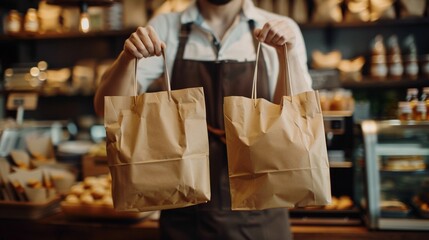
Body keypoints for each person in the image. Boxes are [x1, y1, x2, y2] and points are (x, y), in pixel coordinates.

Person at [94, 0, 312, 239]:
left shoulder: (279, 28)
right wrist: (127, 59)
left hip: (263, 217)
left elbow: (295, 121)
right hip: (185, 217)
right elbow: (106, 109)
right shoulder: (166, 27)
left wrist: (287, 54)